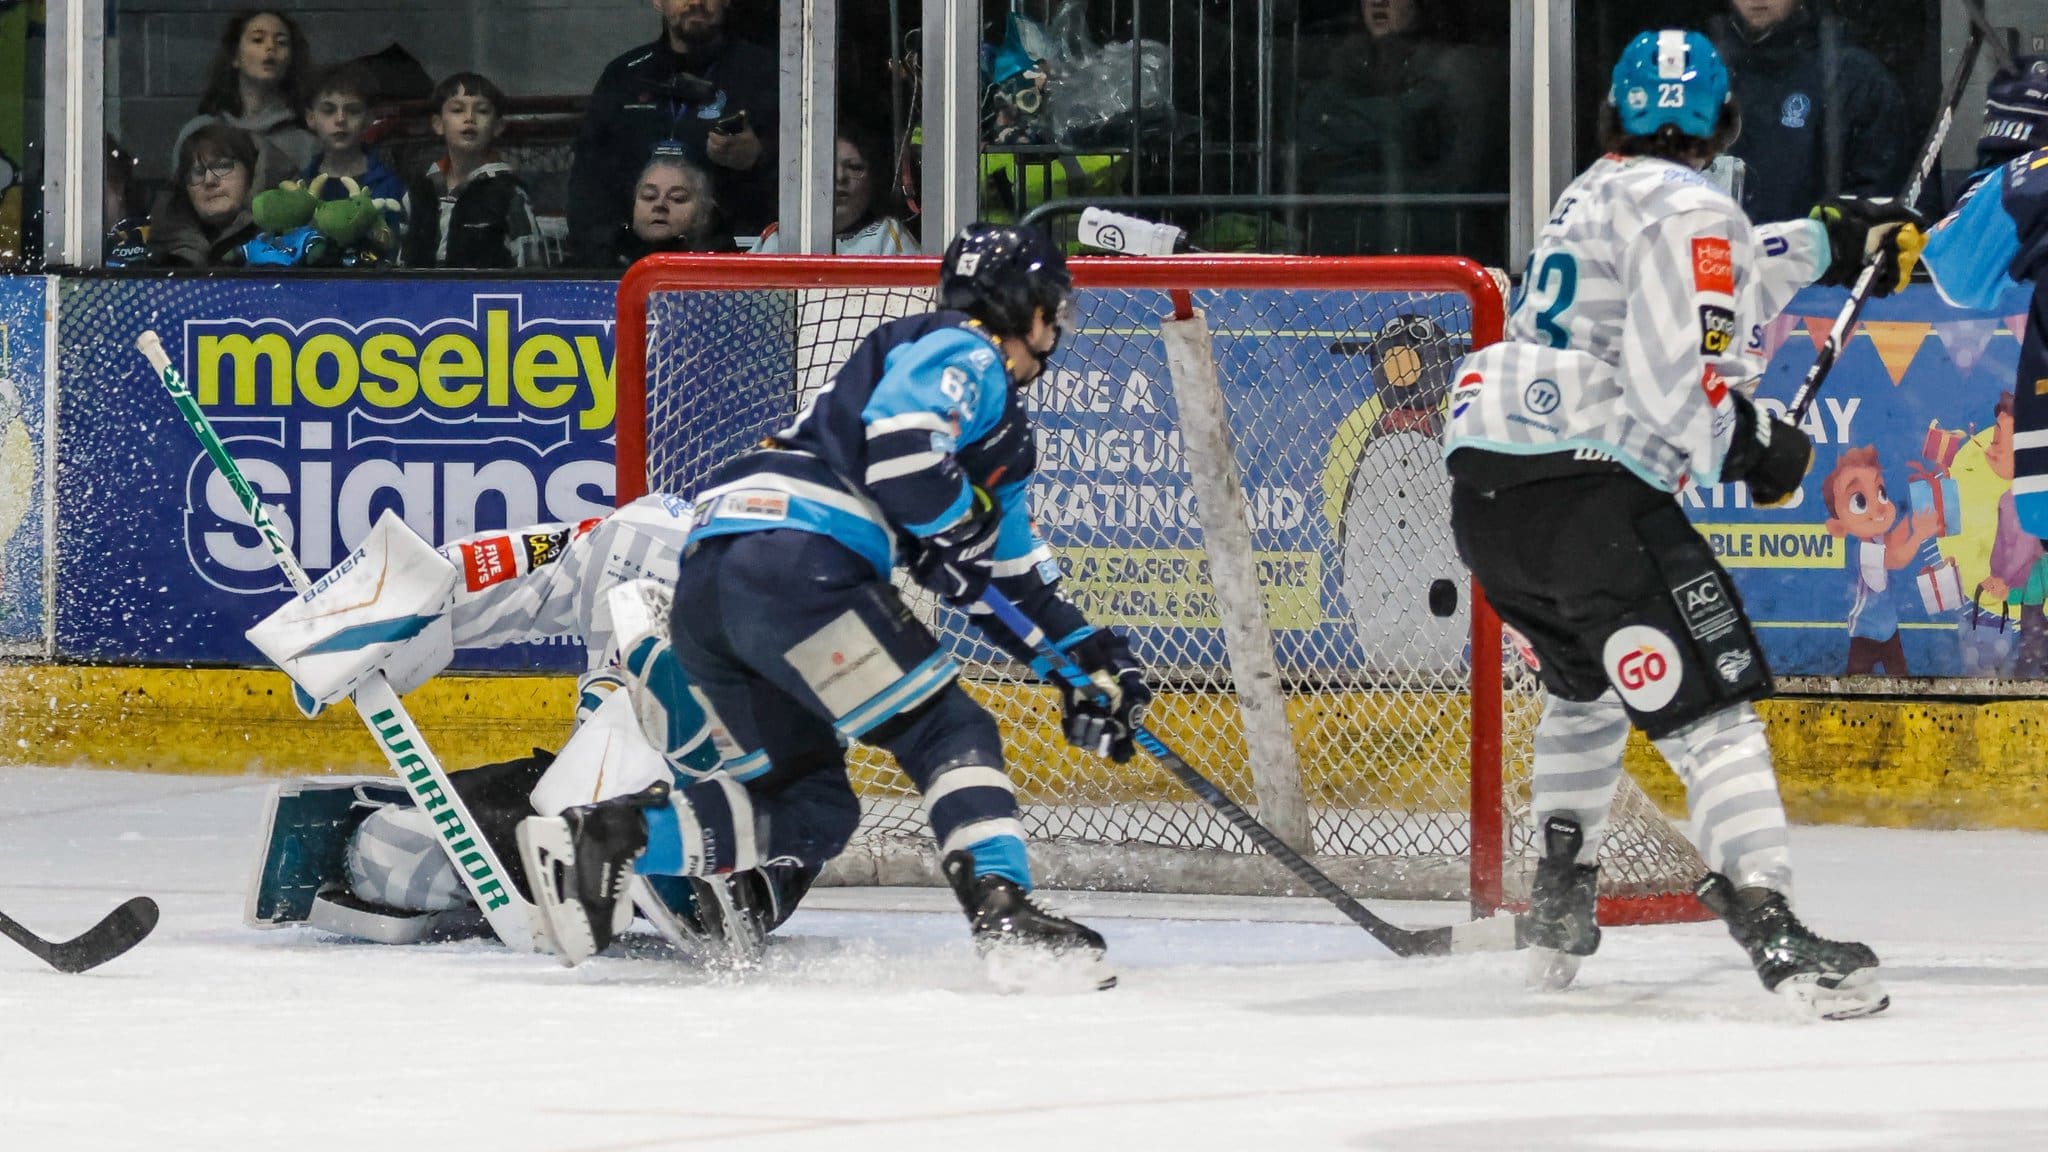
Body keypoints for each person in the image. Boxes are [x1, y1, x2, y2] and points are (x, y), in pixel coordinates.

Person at [519, 224, 1145, 989]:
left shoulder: (998, 435)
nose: (1056, 331)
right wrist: (951, 527)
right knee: (949, 729)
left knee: (813, 809)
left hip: (712, 581)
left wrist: (1084, 663)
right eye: (1053, 310)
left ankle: (611, 835)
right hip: (798, 563)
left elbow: (1006, 582)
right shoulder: (966, 349)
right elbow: (906, 460)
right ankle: (1004, 913)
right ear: (1026, 308)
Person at [1442, 30, 1921, 1019]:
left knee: (1583, 690)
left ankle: (1557, 902)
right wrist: (1759, 443)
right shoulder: (1698, 210)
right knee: (1712, 715)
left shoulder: (1589, 194)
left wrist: (1828, 240)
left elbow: (1699, 270)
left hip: (1490, 497)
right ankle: (1773, 926)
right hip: (1588, 496)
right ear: (1726, 122)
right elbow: (1676, 393)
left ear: (1611, 117)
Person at [248, 495, 832, 953]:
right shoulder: (638, 538)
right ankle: (601, 855)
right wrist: (346, 625)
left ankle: (692, 857)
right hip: (582, 814)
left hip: (727, 825)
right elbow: (461, 580)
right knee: (386, 851)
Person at [567, 0, 779, 266]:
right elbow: (588, 182)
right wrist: (603, 261)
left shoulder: (768, 74)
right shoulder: (624, 76)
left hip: (734, 264)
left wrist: (758, 157)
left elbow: (808, 181)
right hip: (627, 264)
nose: (696, 2)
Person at [1293, 0, 1505, 256]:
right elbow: (1311, 159)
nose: (1378, 2)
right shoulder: (1335, 77)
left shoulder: (1454, 70)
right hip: (1341, 243)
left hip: (1432, 244)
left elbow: (1462, 170)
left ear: (1419, 5)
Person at [1708, 0, 1909, 224]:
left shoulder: (1855, 78)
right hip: (1712, 243)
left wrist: (1838, 234)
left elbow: (1878, 207)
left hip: (1818, 246)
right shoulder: (1699, 75)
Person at [399, 73, 545, 269]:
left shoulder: (510, 195)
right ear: (438, 124)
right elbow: (401, 264)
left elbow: (531, 271)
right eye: (457, 110)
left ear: (498, 126)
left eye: (482, 111)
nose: (469, 118)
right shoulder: (417, 193)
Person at [170, 10, 316, 194]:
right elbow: (178, 201)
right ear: (235, 56)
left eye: (281, 42)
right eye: (258, 39)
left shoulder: (306, 143)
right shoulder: (198, 131)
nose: (270, 47)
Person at [754, 132, 918, 254]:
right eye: (826, 165)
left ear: (873, 181)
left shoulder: (888, 237)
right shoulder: (777, 238)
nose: (839, 177)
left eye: (854, 167)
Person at [300, 62, 407, 236]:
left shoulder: (389, 183)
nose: (340, 119)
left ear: (369, 118)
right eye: (328, 110)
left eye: (353, 111)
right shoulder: (301, 185)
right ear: (311, 118)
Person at [147, 124, 261, 267]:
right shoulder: (163, 259)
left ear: (251, 175)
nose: (209, 180)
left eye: (222, 166)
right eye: (197, 172)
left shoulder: (281, 244)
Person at [611, 150, 735, 265]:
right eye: (649, 196)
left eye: (677, 198)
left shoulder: (726, 265)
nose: (660, 205)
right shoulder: (606, 260)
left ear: (704, 215)